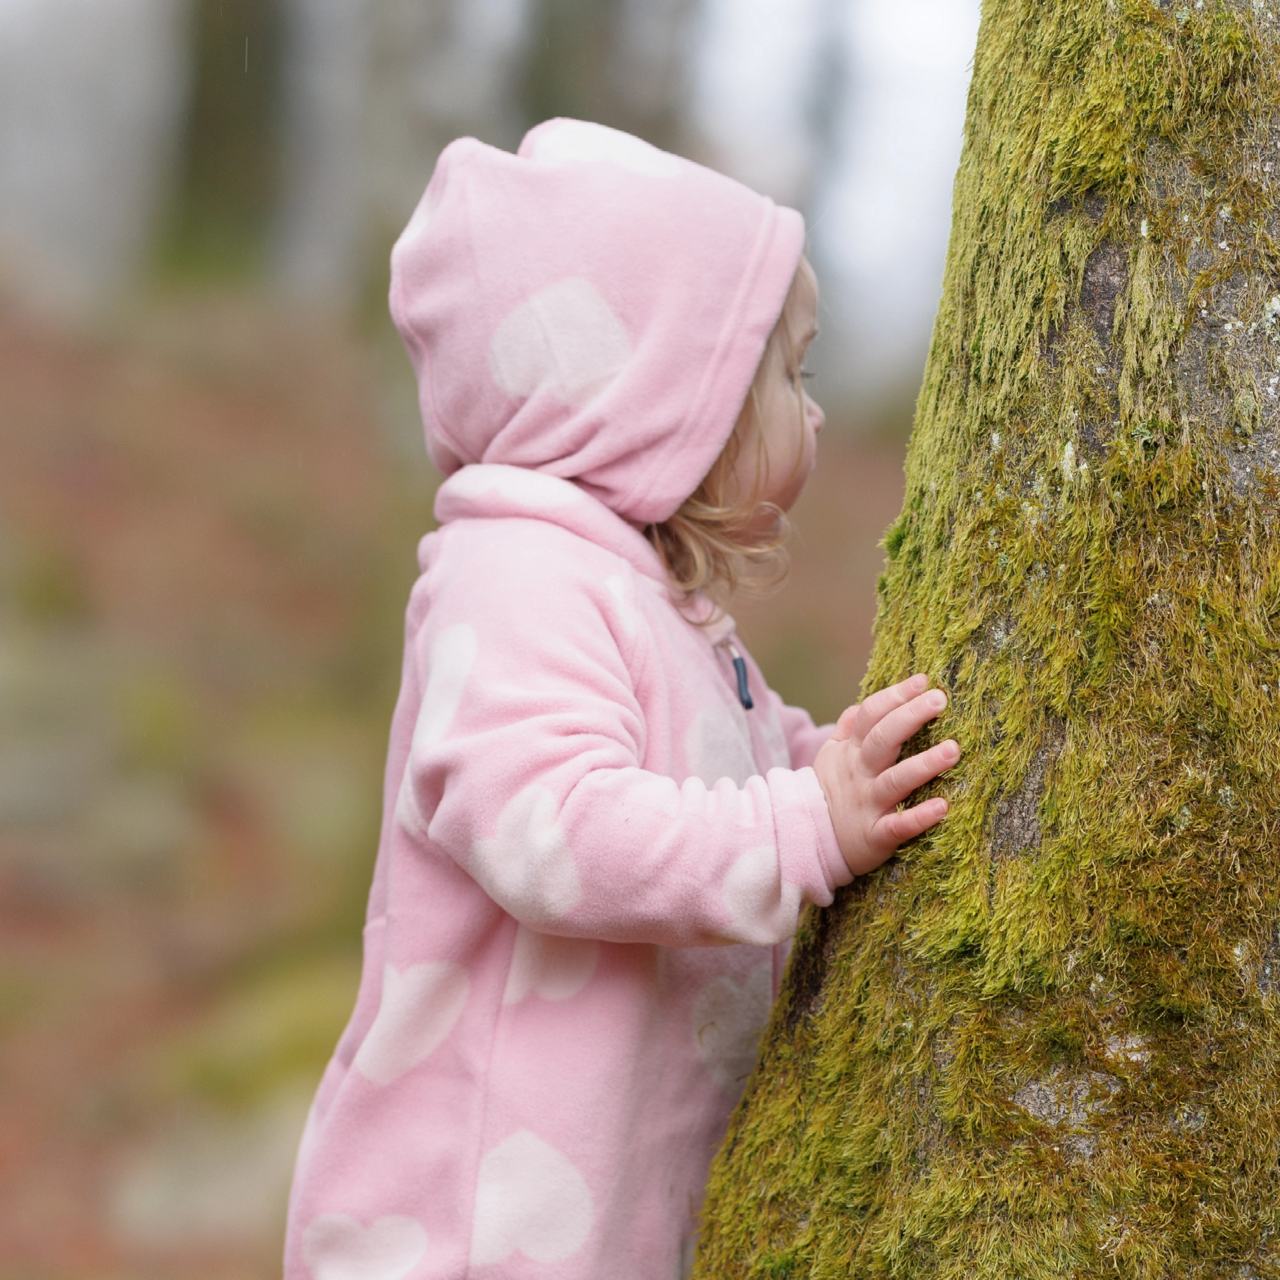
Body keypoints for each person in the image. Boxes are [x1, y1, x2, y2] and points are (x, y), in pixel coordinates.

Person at [283, 118, 960, 1280]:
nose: (815, 413)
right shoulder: (513, 579)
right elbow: (550, 826)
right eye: (786, 371)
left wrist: (824, 761)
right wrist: (806, 822)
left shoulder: (655, 602)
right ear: (659, 393)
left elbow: (725, 770)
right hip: (469, 1230)